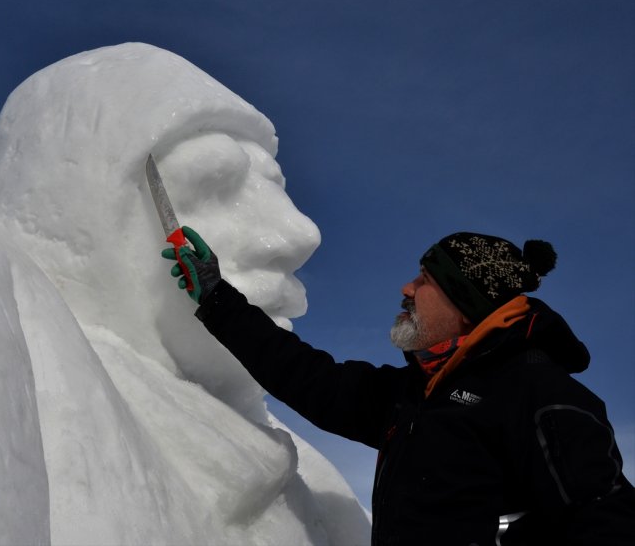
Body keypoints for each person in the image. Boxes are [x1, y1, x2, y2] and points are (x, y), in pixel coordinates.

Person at [163, 226, 635, 545]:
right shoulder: (416, 394)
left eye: (425, 280)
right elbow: (311, 380)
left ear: (466, 304)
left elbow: (606, 524)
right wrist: (217, 298)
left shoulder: (540, 397)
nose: (406, 289)